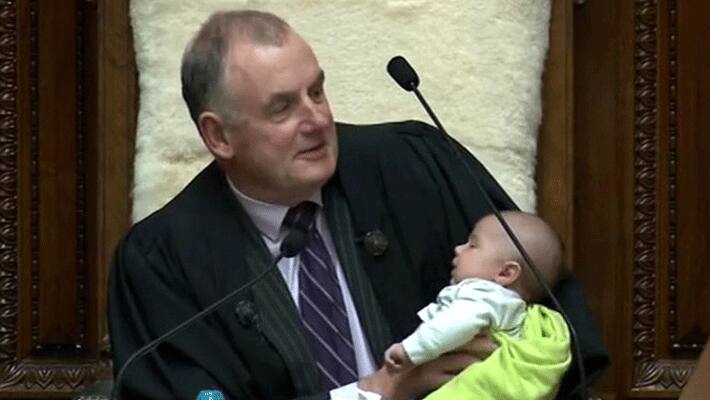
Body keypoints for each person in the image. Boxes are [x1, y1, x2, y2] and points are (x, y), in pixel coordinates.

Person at [108, 9, 609, 400]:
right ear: (218, 136)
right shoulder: (162, 261)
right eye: (283, 107)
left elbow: (557, 314)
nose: (317, 119)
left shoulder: (417, 167)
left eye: (317, 91)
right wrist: (385, 389)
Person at [385, 211, 572, 399]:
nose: (458, 248)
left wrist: (409, 350)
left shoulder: (484, 296)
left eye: (472, 245)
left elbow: (455, 323)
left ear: (506, 273)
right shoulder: (510, 308)